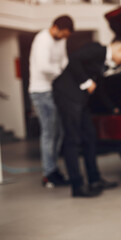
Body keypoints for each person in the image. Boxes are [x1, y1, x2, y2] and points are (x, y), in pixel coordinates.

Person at [52, 40, 121, 197]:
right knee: (72, 140)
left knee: (90, 137)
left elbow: (98, 89)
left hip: (80, 101)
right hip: (67, 96)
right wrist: (86, 82)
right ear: (118, 48)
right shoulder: (97, 49)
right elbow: (74, 59)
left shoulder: (103, 62)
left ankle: (94, 179)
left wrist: (112, 108)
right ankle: (77, 186)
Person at [29, 15, 74, 188]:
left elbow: (64, 60)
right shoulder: (42, 39)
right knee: (49, 133)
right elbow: (43, 67)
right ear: (55, 28)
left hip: (54, 90)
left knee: (59, 132)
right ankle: (49, 174)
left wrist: (62, 72)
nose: (63, 38)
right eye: (62, 34)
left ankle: (53, 169)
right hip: (41, 92)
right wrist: (61, 73)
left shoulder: (60, 40)